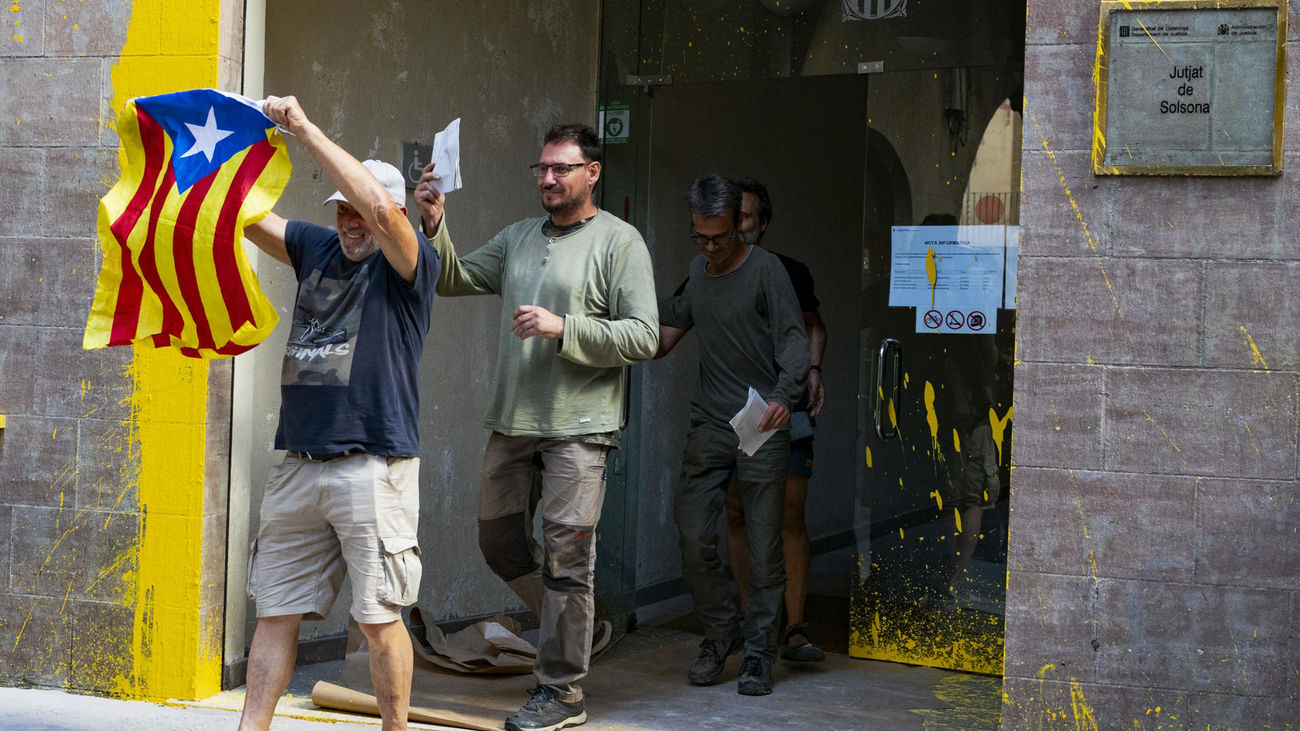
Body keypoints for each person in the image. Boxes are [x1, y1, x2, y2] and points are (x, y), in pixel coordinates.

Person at [413, 123, 658, 731]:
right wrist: (435, 224)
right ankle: (576, 625)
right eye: (542, 169)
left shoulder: (620, 243)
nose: (548, 179)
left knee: (569, 559)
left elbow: (645, 336)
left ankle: (562, 692)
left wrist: (563, 328)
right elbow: (453, 278)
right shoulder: (520, 237)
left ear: (592, 172)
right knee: (499, 545)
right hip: (514, 420)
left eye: (561, 168)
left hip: (581, 427)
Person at [239, 96, 441, 731]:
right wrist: (205, 157)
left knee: (379, 617)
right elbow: (243, 220)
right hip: (297, 462)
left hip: (372, 467)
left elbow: (382, 209)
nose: (352, 221)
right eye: (342, 212)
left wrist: (303, 130)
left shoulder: (409, 263)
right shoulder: (316, 248)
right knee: (274, 611)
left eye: (361, 211)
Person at [656, 174, 809, 696]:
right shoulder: (697, 273)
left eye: (721, 237)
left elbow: (794, 337)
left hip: (761, 422)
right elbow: (664, 330)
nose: (711, 248)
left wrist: (785, 397)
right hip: (710, 423)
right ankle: (722, 634)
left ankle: (761, 652)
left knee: (765, 544)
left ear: (740, 227)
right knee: (693, 531)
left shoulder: (767, 271)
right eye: (701, 238)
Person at [719, 179, 829, 662]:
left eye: (743, 218)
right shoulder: (709, 270)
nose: (734, 227)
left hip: (784, 408)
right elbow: (670, 325)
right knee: (738, 512)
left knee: (789, 515)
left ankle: (796, 628)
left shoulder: (789, 271)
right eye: (729, 217)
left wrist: (814, 370)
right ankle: (751, 626)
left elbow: (813, 327)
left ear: (761, 223)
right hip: (731, 414)